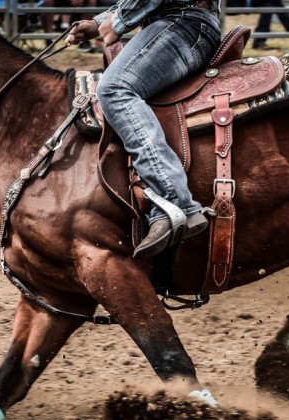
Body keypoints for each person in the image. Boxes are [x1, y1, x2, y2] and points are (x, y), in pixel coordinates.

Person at [66, 0, 220, 258]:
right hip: (184, 22)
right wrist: (99, 21)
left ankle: (174, 198)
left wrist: (118, 22)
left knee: (114, 89)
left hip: (182, 23)